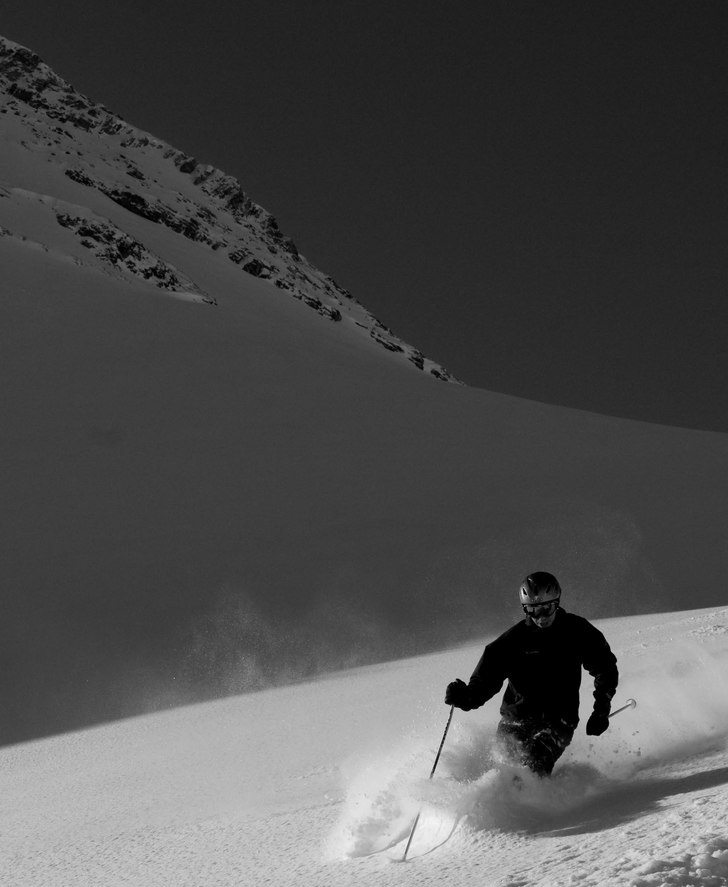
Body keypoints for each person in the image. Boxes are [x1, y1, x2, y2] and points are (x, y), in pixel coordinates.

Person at [445, 571, 618, 776]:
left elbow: (605, 668)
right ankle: (483, 802)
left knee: (534, 763)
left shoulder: (577, 632)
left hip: (558, 721)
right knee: (502, 769)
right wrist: (465, 697)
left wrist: (601, 710)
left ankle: (534, 801)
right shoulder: (512, 642)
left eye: (547, 608)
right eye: (533, 610)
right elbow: (485, 681)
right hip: (515, 722)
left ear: (557, 603)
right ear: (525, 609)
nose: (541, 617)